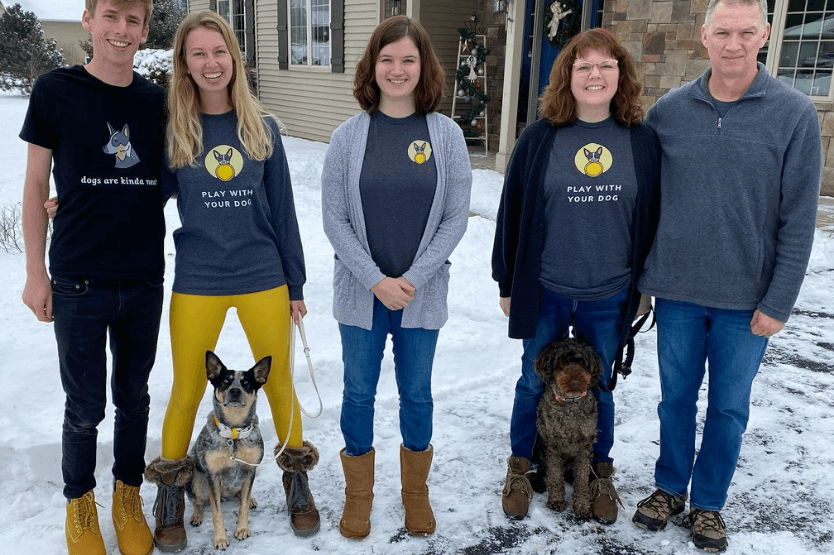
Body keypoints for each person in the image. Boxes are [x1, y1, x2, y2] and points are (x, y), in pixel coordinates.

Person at [630, 1, 822, 552]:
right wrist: (642, 281)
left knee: (729, 406)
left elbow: (798, 219)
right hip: (679, 292)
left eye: (744, 32)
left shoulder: (793, 114)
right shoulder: (669, 111)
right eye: (722, 33)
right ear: (704, 36)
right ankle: (669, 487)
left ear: (764, 34)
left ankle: (708, 501)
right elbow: (645, 200)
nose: (733, 44)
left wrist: (779, 300)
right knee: (675, 399)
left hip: (747, 299)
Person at [142, 11, 319, 551]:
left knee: (280, 383)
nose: (210, 63)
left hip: (262, 274)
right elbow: (138, 199)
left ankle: (296, 483)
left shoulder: (261, 128)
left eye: (219, 52)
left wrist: (296, 284)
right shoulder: (174, 129)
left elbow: (284, 211)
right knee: (186, 391)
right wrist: (78, 204)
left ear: (233, 59)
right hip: (198, 277)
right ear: (184, 64)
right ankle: (171, 494)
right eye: (198, 54)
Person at [492, 28, 661, 525]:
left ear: (621, 75)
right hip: (545, 287)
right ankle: (522, 467)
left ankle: (599, 474)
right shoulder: (541, 138)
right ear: (568, 75)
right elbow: (512, 212)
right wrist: (507, 282)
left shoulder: (641, 142)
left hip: (610, 291)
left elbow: (653, 217)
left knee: (601, 384)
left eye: (606, 65)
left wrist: (644, 286)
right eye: (583, 65)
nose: (595, 75)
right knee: (531, 380)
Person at [19, 1, 164, 554]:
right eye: (110, 16)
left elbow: (171, 178)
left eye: (132, 21)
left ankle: (128, 496)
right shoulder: (55, 91)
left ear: (145, 30)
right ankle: (80, 505)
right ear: (88, 20)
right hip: (78, 280)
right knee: (84, 406)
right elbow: (34, 184)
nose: (120, 31)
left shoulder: (156, 102)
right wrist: (37, 273)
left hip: (144, 279)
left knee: (134, 398)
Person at [321, 15, 472, 539]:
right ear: (373, 66)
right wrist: (374, 280)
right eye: (387, 59)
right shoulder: (347, 136)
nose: (397, 69)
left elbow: (456, 216)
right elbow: (334, 219)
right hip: (361, 296)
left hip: (422, 296)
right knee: (358, 394)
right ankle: (357, 496)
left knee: (417, 394)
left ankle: (415, 494)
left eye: (408, 59)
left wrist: (412, 277)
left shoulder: (446, 135)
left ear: (423, 66)